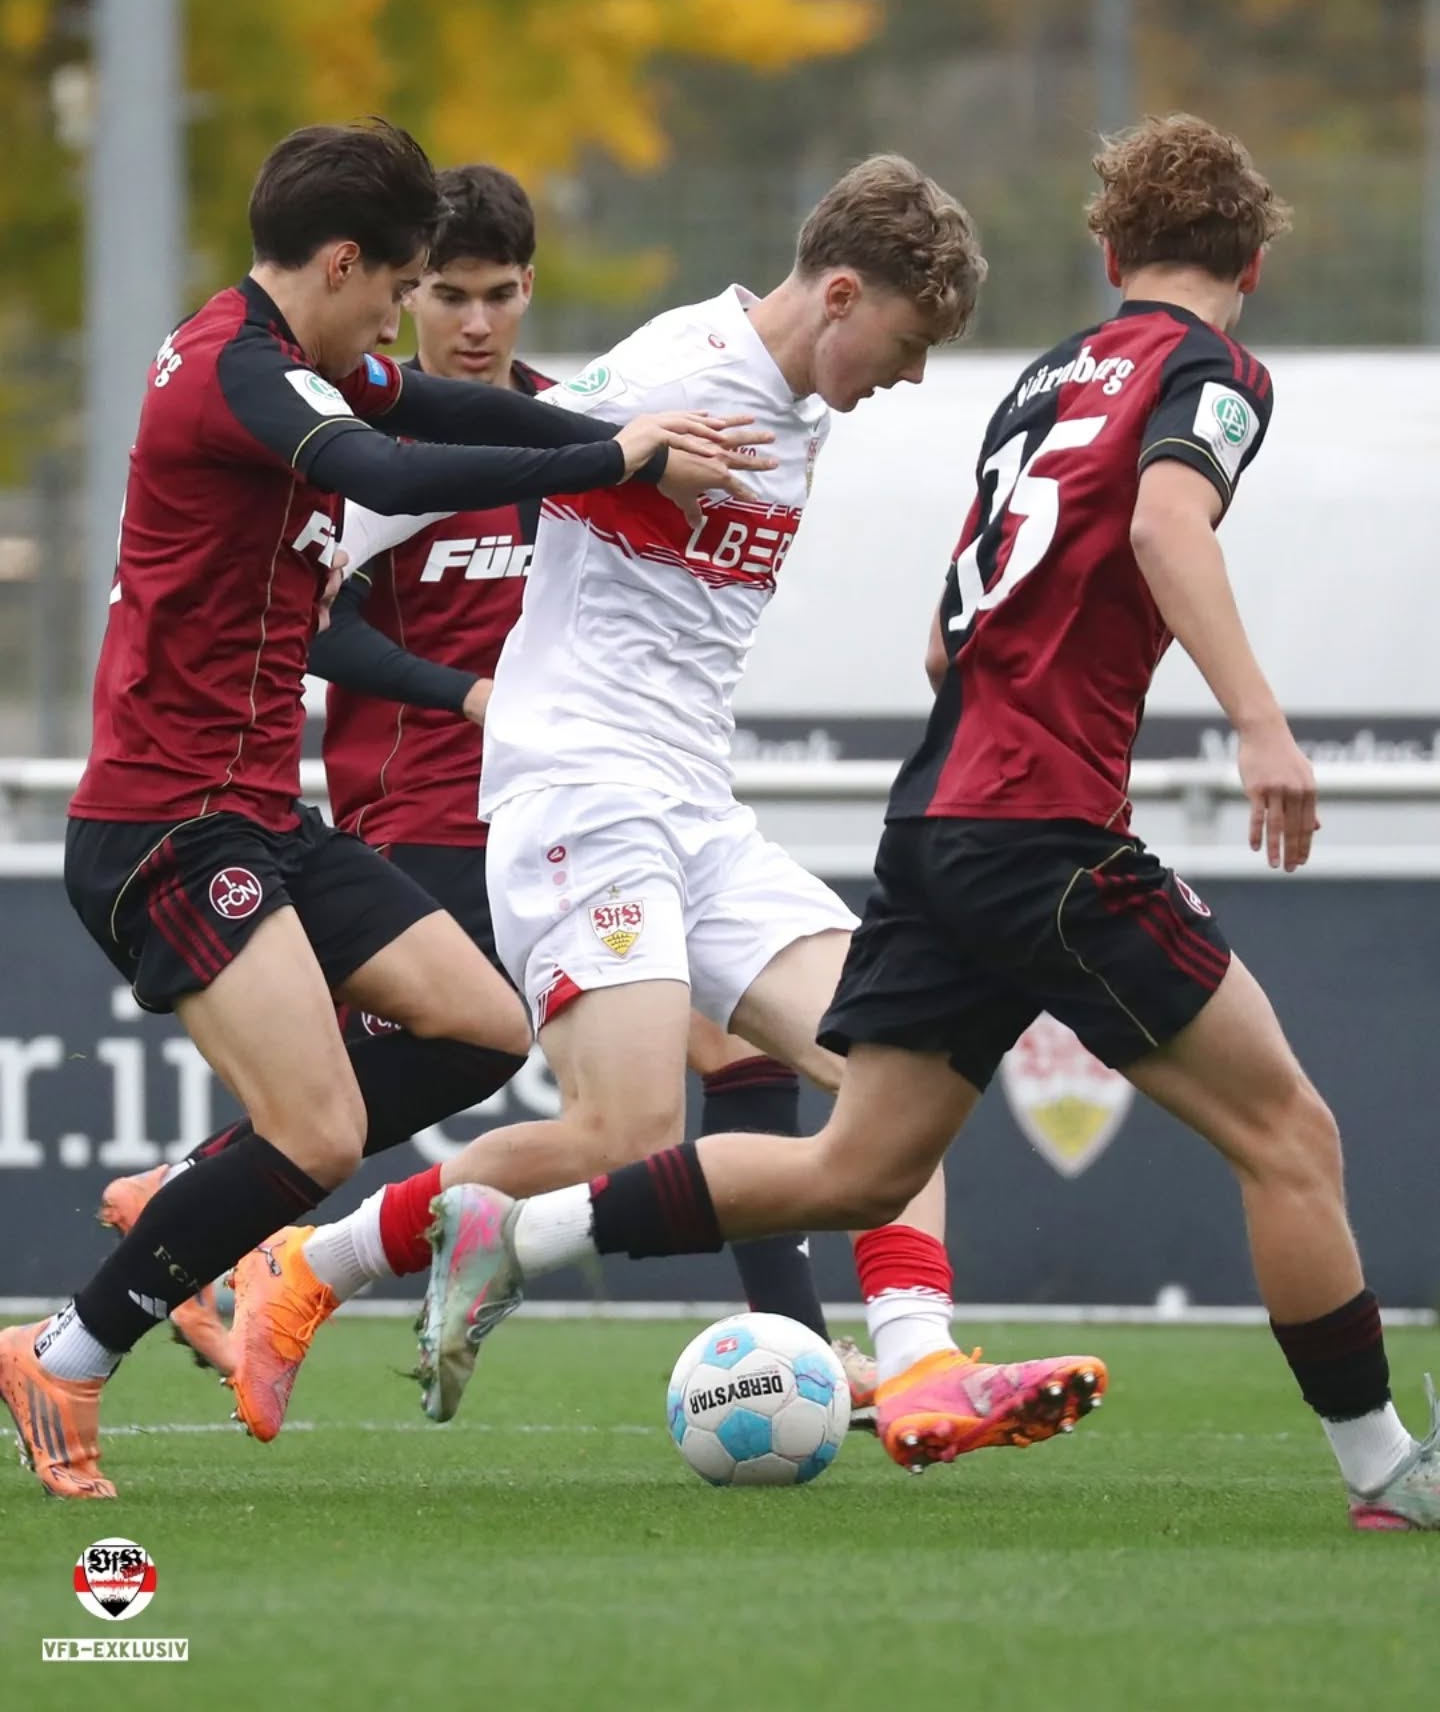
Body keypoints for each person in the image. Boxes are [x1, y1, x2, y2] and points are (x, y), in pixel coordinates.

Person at [414, 111, 1440, 1521]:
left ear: (1106, 249)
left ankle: (524, 1235)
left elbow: (953, 641)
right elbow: (1161, 528)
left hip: (937, 821)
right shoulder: (1210, 370)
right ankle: (1387, 1469)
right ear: (1251, 261)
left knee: (861, 1164)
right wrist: (1260, 721)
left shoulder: (1043, 380)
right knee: (1292, 1137)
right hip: (1046, 831)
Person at [232, 153, 1104, 1459]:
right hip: (581, 786)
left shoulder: (796, 411)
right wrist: (603, 456)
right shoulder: (677, 370)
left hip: (699, 807)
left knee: (904, 1066)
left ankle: (920, 1374)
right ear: (845, 294)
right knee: (626, 1132)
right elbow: (385, 497)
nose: (912, 377)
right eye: (911, 345)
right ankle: (310, 1266)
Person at [0, 118, 764, 1501]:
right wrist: (619, 465)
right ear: (346, 262)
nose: (407, 324)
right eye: (401, 288)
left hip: (258, 815)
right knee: (321, 1132)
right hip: (164, 827)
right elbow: (392, 472)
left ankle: (190, 1193)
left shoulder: (301, 355)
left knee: (479, 1020)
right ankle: (62, 1351)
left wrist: (611, 430)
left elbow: (438, 415)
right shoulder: (237, 371)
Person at [165, 161, 868, 1433]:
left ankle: (833, 1356)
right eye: (442, 293)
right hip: (434, 813)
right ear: (403, 289)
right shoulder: (403, 447)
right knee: (513, 1096)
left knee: (724, 1064)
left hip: (603, 805)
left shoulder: (570, 425)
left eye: (497, 296)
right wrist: (464, 695)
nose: (471, 322)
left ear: (530, 292)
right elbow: (310, 595)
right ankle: (198, 1213)